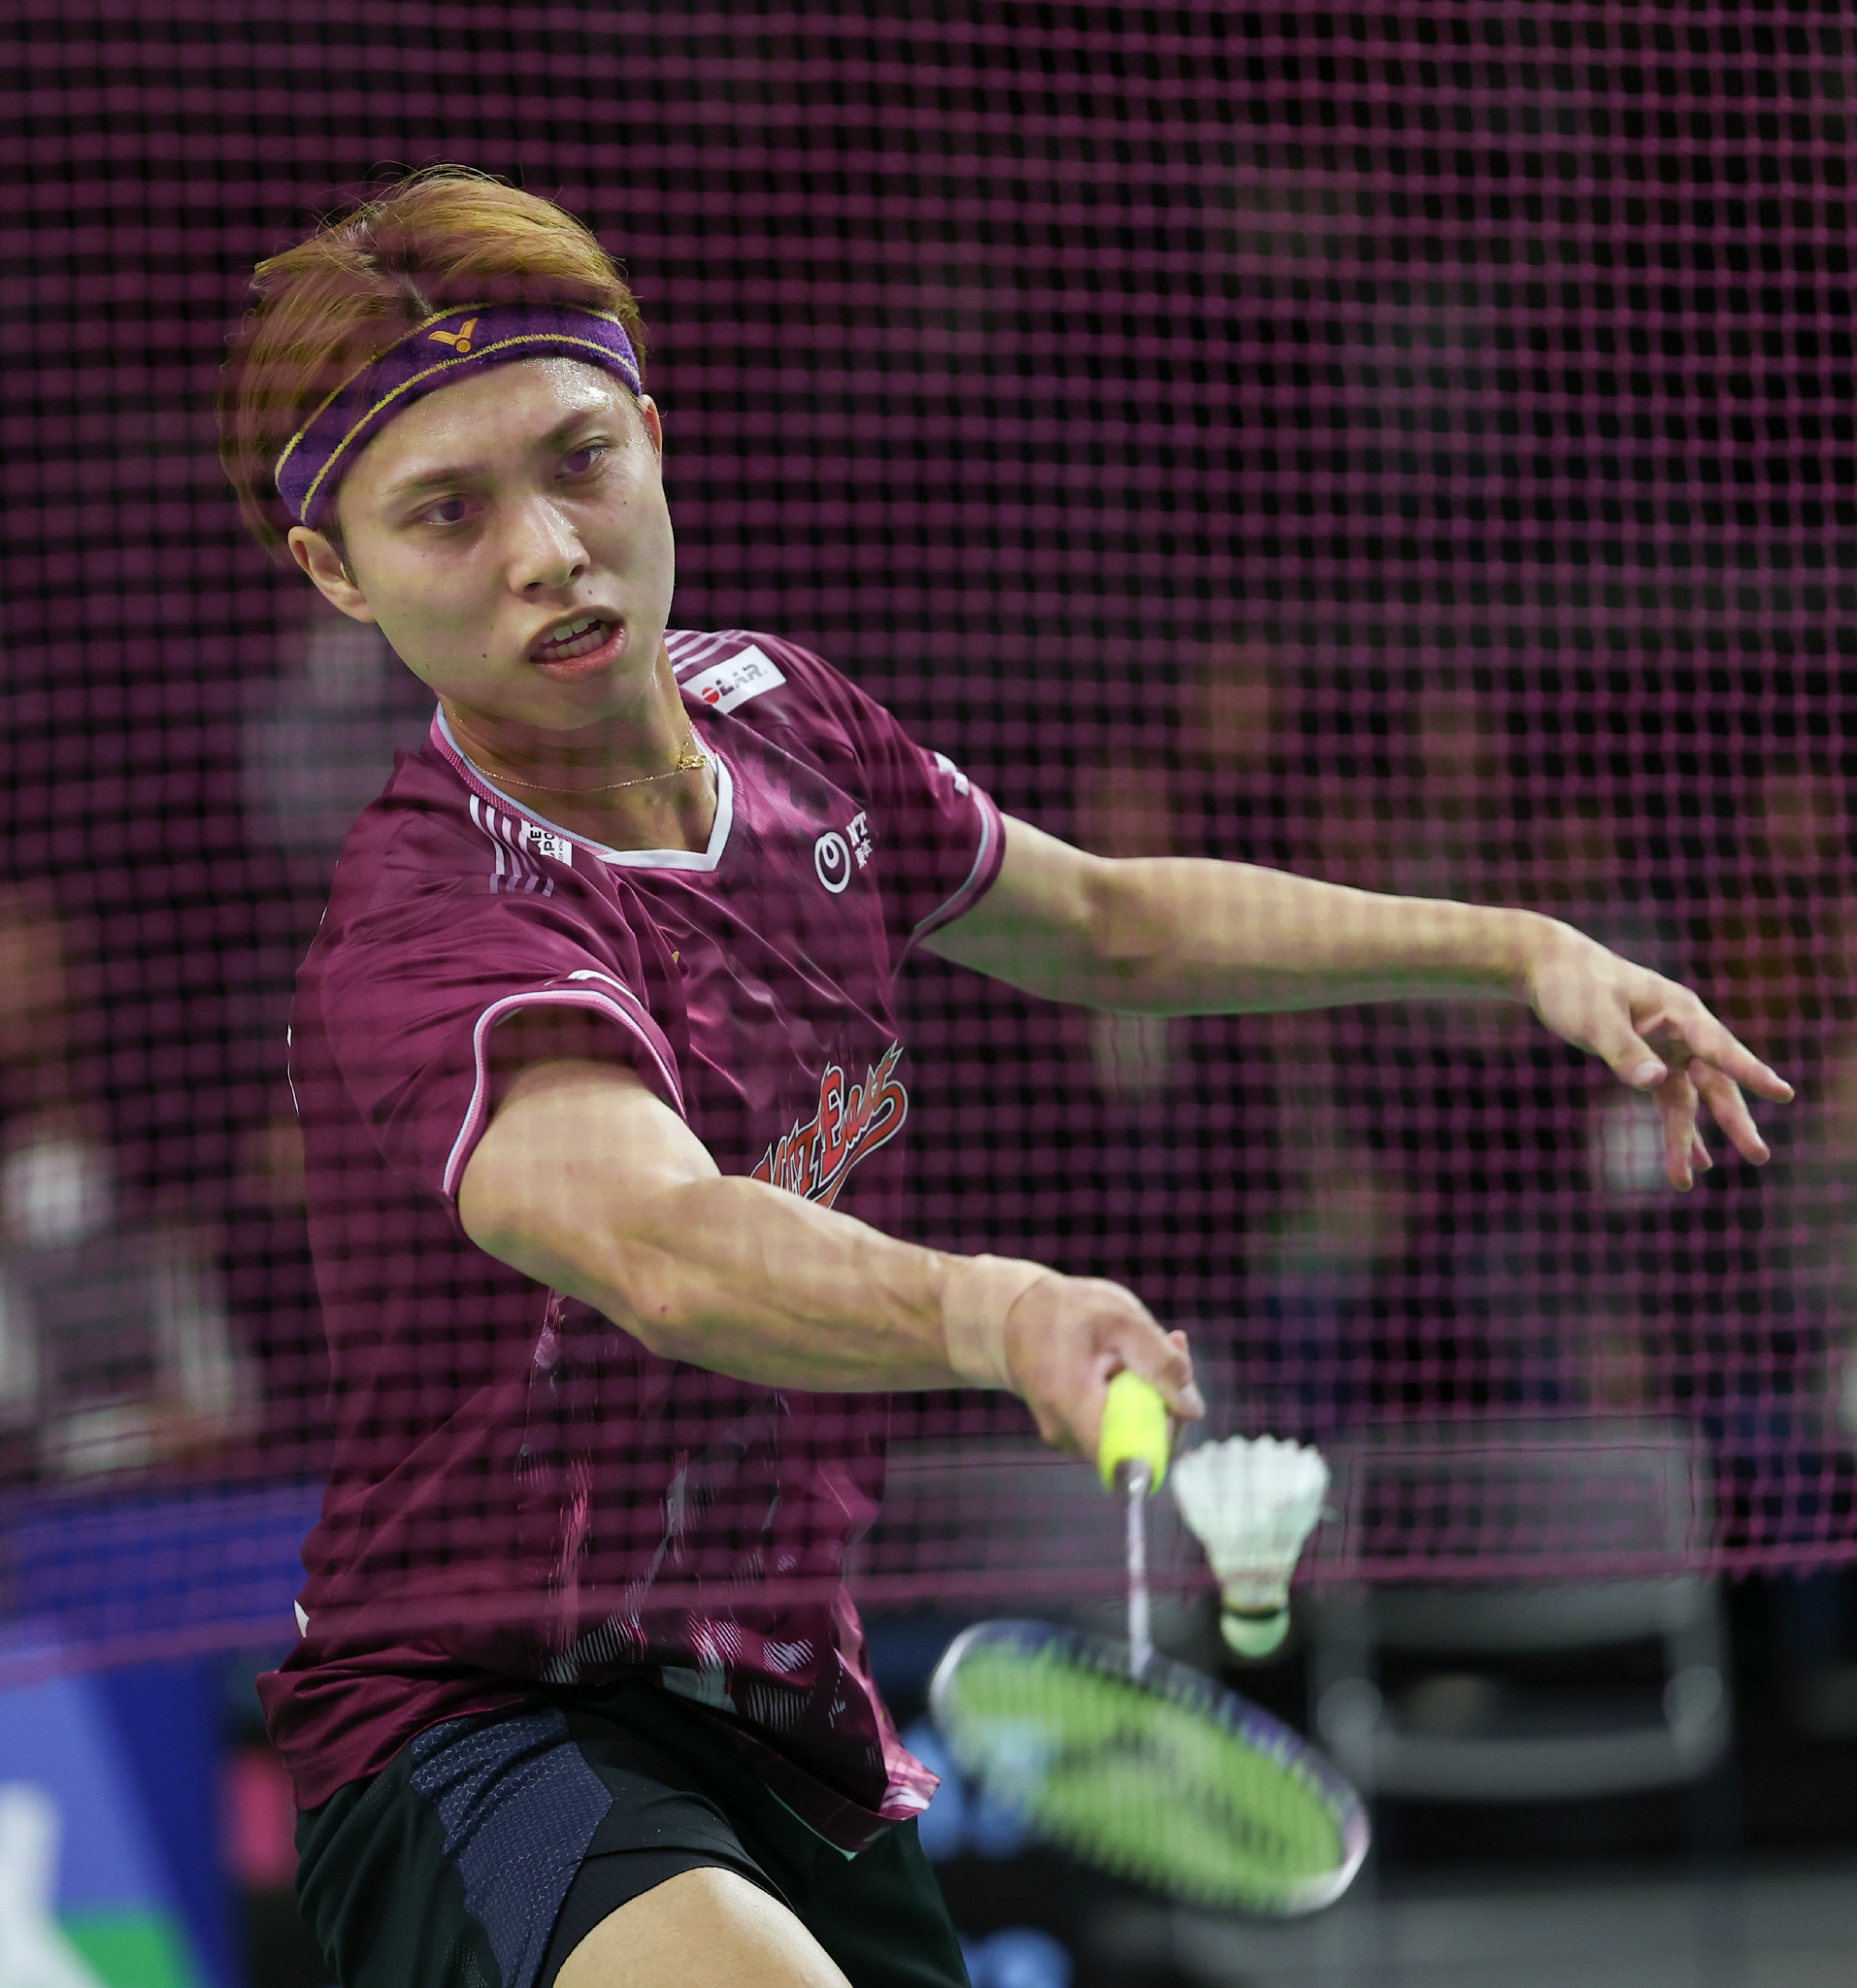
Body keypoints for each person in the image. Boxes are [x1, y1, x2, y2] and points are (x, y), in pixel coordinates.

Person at [216, 167, 1792, 1988]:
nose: (547, 552)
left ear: (651, 437)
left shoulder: (783, 720)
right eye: (448, 512)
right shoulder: (432, 931)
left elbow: (1111, 923)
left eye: (579, 460)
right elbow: (660, 1242)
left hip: (789, 1706)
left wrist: (1517, 947)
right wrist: (998, 1310)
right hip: (477, 1714)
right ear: (336, 572)